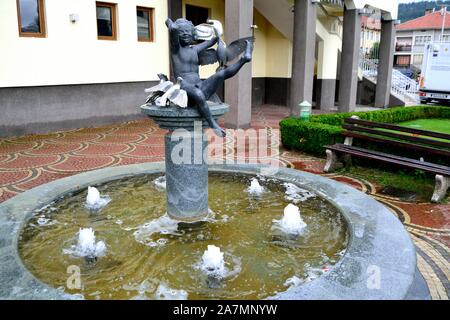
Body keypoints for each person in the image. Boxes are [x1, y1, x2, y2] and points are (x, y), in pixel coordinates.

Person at [165, 18, 253, 137]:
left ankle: (244, 60)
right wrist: (169, 22)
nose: (185, 34)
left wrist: (217, 31)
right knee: (198, 94)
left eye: (188, 31)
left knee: (221, 74)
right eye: (182, 32)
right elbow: (173, 28)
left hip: (200, 85)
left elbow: (213, 40)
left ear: (193, 33)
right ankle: (212, 123)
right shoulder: (176, 49)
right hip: (184, 87)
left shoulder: (195, 49)